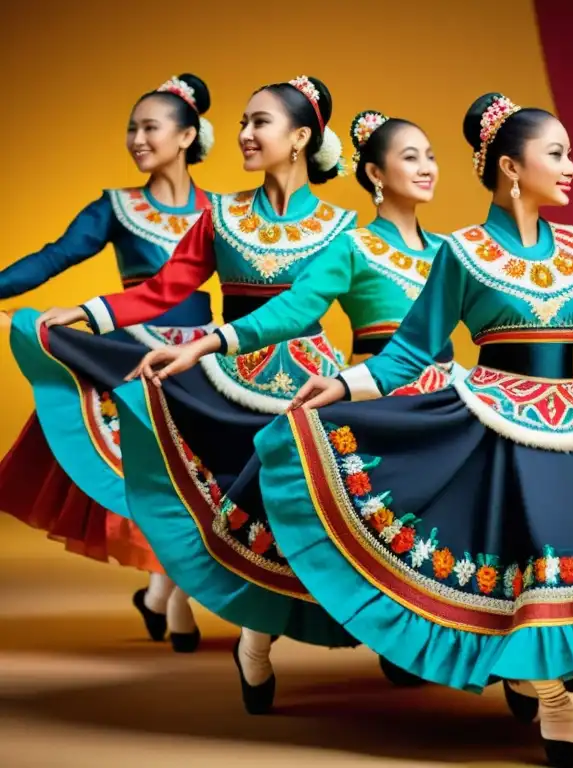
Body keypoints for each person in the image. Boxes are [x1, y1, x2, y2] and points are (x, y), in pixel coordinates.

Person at [241, 92, 573, 768]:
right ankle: (551, 693)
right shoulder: (463, 252)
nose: (572, 166)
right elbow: (411, 351)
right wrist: (345, 385)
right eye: (556, 153)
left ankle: (548, 682)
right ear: (512, 168)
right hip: (490, 430)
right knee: (522, 573)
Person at [38, 76, 358, 711]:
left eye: (259, 122)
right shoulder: (225, 214)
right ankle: (245, 637)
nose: (242, 133)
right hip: (224, 386)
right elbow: (164, 287)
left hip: (310, 389)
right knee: (238, 514)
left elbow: (310, 309)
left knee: (301, 516)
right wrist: (88, 311)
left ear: (299, 139)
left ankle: (261, 639)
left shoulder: (341, 227)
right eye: (242, 120)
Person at [127, 109, 464, 688]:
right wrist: (210, 342)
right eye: (411, 157)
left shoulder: (454, 252)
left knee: (443, 533)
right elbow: (293, 310)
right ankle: (256, 642)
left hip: (445, 403)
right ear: (376, 175)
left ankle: (431, 648)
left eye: (431, 156)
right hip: (375, 400)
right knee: (318, 534)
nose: (428, 168)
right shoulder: (353, 245)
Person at [0, 73, 216, 649]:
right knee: (159, 477)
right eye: (132, 128)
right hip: (133, 354)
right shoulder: (117, 206)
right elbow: (56, 257)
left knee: (202, 478)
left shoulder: (222, 211)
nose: (137, 138)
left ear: (186, 135)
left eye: (150, 127)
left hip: (205, 359)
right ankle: (168, 600)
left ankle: (160, 596)